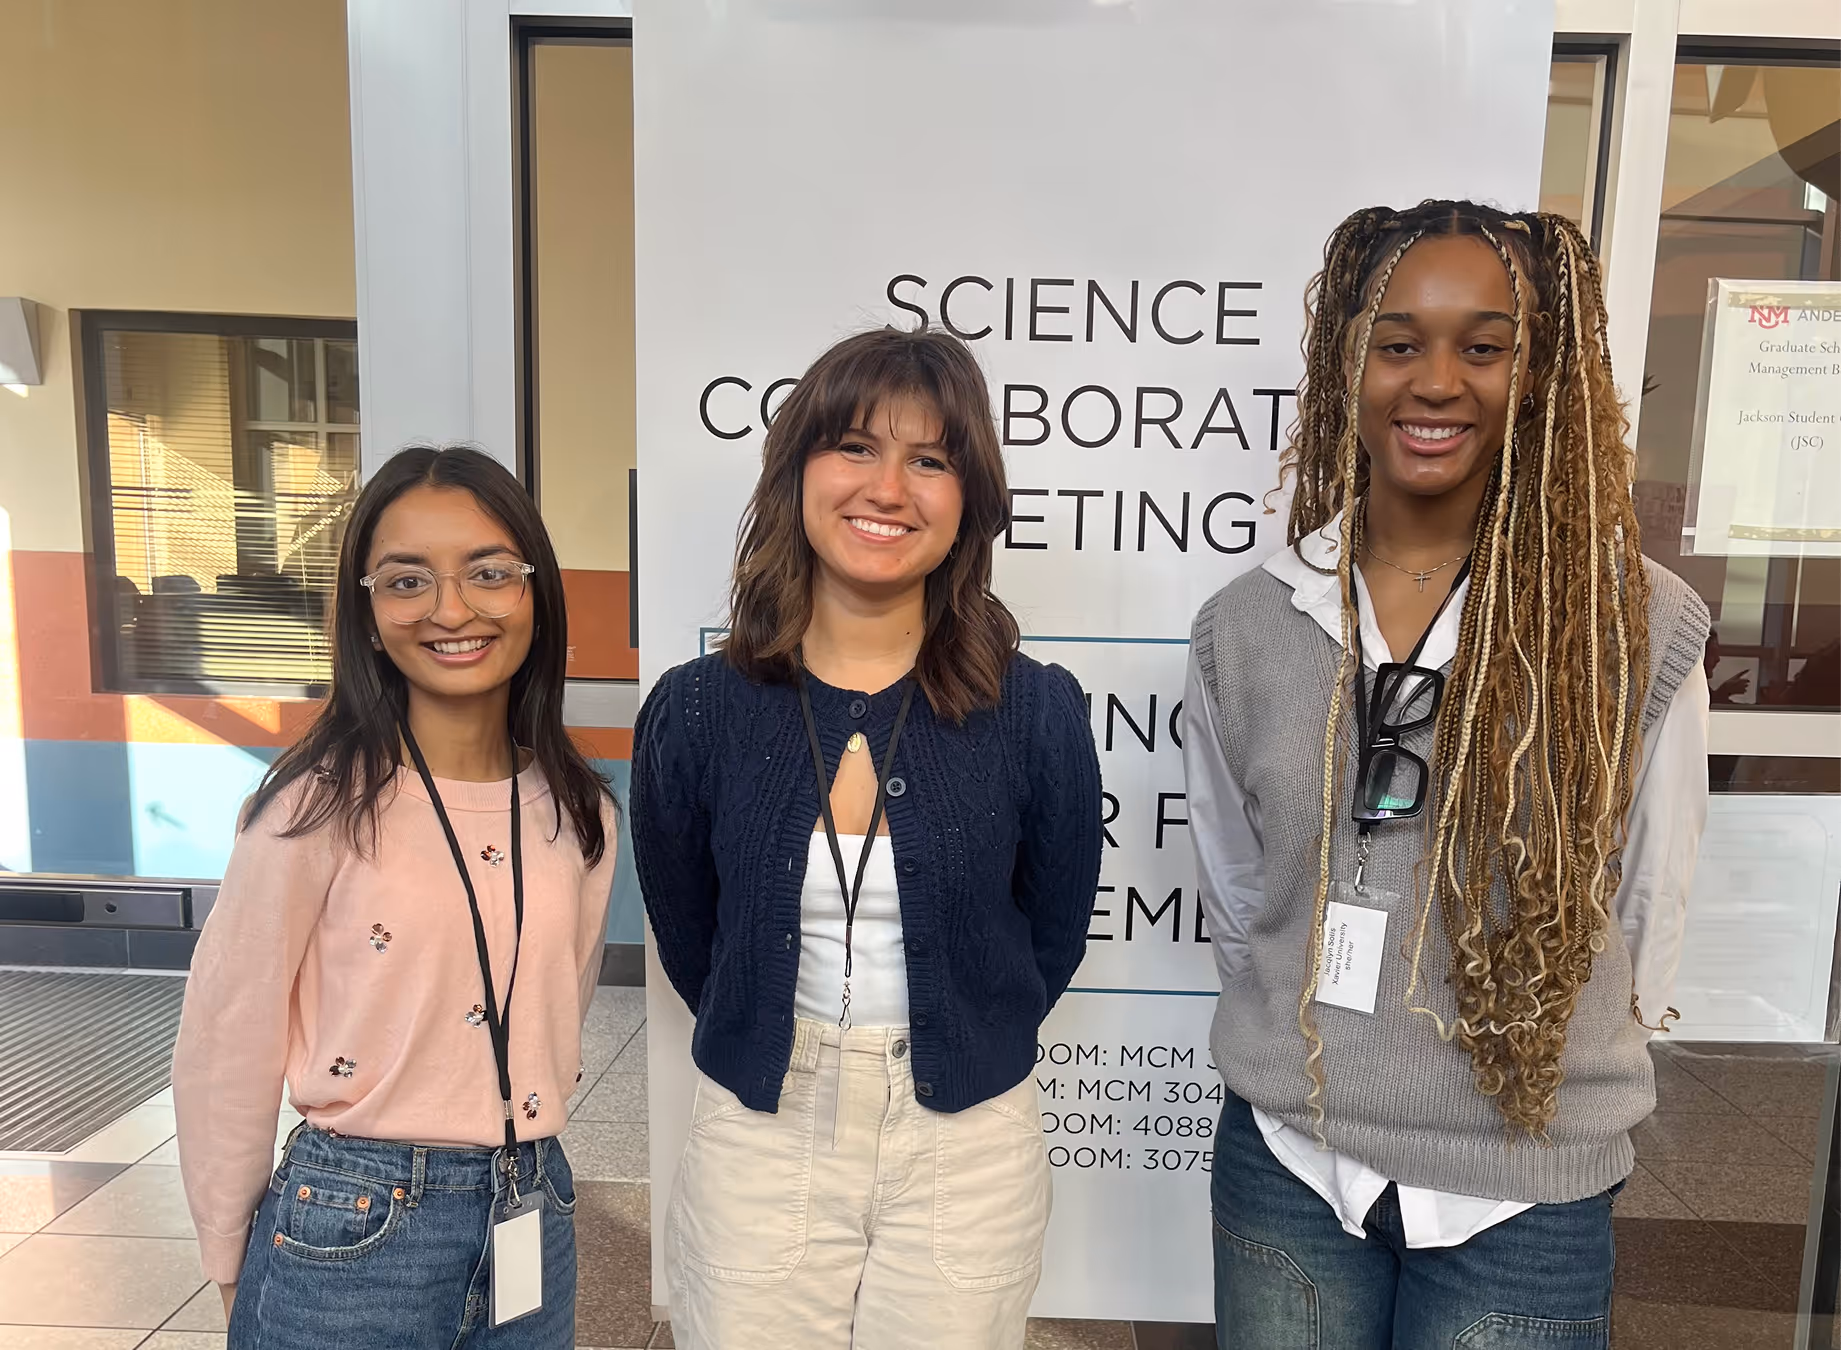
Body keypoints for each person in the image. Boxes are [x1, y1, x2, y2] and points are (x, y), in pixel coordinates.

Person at [1182, 201, 1711, 1349]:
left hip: (1524, 1181)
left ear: (1540, 377)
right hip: (1290, 1158)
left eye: (1482, 346)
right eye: (1396, 344)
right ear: (1345, 369)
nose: (1433, 382)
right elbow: (1241, 885)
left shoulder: (1630, 623)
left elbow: (1644, 899)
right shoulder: (1245, 626)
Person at [632, 327, 1103, 1349]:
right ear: (796, 470)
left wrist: (955, 1026)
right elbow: (689, 933)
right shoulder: (698, 711)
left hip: (967, 1140)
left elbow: (1050, 932)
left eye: (928, 460)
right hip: (760, 1130)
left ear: (967, 500)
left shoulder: (1034, 713)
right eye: (853, 446)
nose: (886, 487)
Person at [173, 444, 618, 1350]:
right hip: (353, 1218)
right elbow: (228, 1036)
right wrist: (229, 1249)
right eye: (407, 580)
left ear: (535, 593)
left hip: (532, 1196)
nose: (452, 610)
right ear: (369, 613)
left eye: (490, 573)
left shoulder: (578, 814)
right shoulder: (312, 808)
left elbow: (554, 1014)